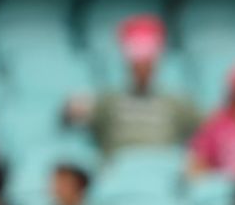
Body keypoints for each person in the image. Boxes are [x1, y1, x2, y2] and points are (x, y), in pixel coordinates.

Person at [65, 14, 198, 154]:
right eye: (137, 63)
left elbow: (207, 132)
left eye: (147, 63)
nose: (142, 68)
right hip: (116, 172)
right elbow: (76, 124)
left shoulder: (179, 103)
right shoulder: (107, 101)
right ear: (128, 64)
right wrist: (71, 112)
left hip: (163, 171)